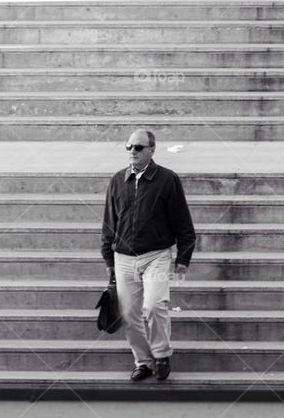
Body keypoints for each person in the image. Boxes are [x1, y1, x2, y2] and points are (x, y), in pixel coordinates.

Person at [101, 129, 196, 382]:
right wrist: (108, 259)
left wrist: (183, 259)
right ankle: (143, 362)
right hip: (123, 258)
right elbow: (109, 223)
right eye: (129, 147)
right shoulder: (117, 180)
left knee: (154, 305)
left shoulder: (167, 179)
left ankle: (162, 355)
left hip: (156, 255)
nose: (133, 151)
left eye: (139, 147)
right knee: (130, 316)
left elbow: (183, 223)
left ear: (152, 150)